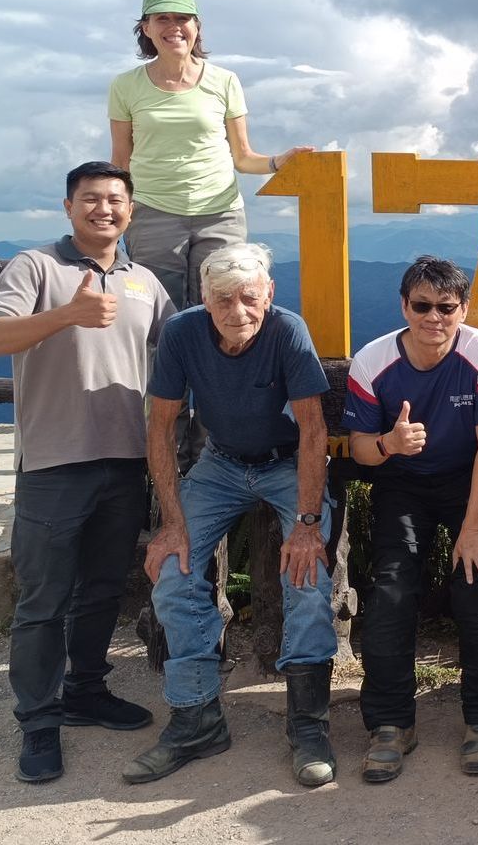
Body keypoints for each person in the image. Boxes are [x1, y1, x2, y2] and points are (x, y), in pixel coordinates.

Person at [0, 162, 173, 784]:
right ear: (68, 207)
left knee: (102, 590)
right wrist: (67, 314)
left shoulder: (145, 282)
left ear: (131, 211)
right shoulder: (35, 267)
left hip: (125, 457)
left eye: (116, 199)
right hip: (55, 459)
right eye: (90, 199)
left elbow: (178, 347)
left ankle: (85, 689)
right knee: (43, 599)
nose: (104, 209)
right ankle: (38, 719)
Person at [122, 242, 338, 787]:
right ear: (203, 298)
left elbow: (314, 432)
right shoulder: (182, 333)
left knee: (306, 576)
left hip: (287, 463)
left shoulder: (288, 331)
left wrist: (308, 524)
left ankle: (308, 724)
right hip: (219, 463)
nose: (237, 311)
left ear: (269, 294)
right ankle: (196, 719)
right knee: (174, 575)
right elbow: (161, 426)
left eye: (249, 297)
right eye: (223, 299)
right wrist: (170, 523)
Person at [342, 257, 478, 781]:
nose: (434, 318)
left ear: (463, 310)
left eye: (446, 308)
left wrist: (472, 531)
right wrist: (389, 443)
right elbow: (359, 451)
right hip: (403, 481)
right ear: (404, 307)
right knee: (392, 594)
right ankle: (391, 726)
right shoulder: (372, 361)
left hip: (474, 481)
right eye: (421, 306)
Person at [109, 0, 311, 310]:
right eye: (163, 18)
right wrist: (115, 213)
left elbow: (243, 158)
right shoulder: (125, 86)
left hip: (221, 212)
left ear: (196, 27)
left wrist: (278, 162)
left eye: (183, 18)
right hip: (152, 212)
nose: (174, 27)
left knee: (224, 305)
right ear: (146, 28)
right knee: (156, 312)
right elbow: (120, 161)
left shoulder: (224, 81)